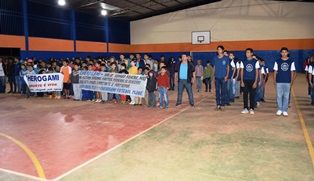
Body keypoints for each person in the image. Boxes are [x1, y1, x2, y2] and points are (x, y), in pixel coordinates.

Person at [273, 47, 296, 116]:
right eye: (282, 52)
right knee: (279, 95)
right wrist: (274, 80)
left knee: (286, 96)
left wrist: (291, 81)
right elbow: (275, 71)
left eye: (285, 52)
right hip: (279, 81)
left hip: (287, 81)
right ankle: (280, 109)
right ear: (280, 53)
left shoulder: (291, 61)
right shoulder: (277, 61)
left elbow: (292, 72)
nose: (284, 53)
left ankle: (285, 110)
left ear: (287, 53)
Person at [240, 48, 260, 114]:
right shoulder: (243, 61)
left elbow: (257, 72)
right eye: (246, 53)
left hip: (252, 80)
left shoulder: (255, 62)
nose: (247, 54)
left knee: (252, 95)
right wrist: (242, 81)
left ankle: (251, 108)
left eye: (248, 52)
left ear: (252, 53)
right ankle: (245, 108)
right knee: (245, 95)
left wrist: (255, 82)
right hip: (245, 80)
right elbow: (242, 71)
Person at [212, 45, 229, 110]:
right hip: (217, 77)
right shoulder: (215, 58)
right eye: (218, 49)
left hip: (223, 77)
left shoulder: (226, 58)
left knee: (223, 91)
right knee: (217, 91)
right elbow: (214, 67)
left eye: (220, 49)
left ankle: (222, 104)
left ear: (222, 50)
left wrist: (227, 76)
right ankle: (218, 104)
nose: (219, 50)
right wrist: (213, 76)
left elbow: (228, 67)